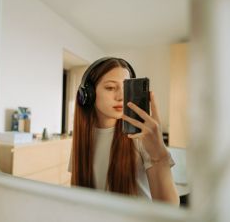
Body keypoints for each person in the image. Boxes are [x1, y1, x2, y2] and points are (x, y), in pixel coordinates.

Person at [68, 57, 179, 206]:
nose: (121, 97)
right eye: (111, 88)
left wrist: (158, 153)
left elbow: (169, 208)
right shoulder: (82, 139)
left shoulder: (140, 137)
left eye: (125, 88)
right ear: (88, 94)